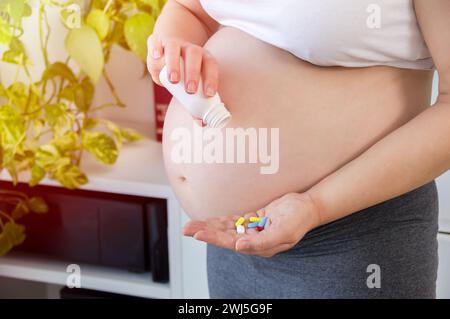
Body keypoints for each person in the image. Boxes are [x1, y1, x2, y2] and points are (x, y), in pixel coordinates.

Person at [147, 0, 450, 298]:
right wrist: (174, 49)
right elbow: (190, 10)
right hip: (233, 240)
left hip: (352, 241)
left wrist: (315, 206)